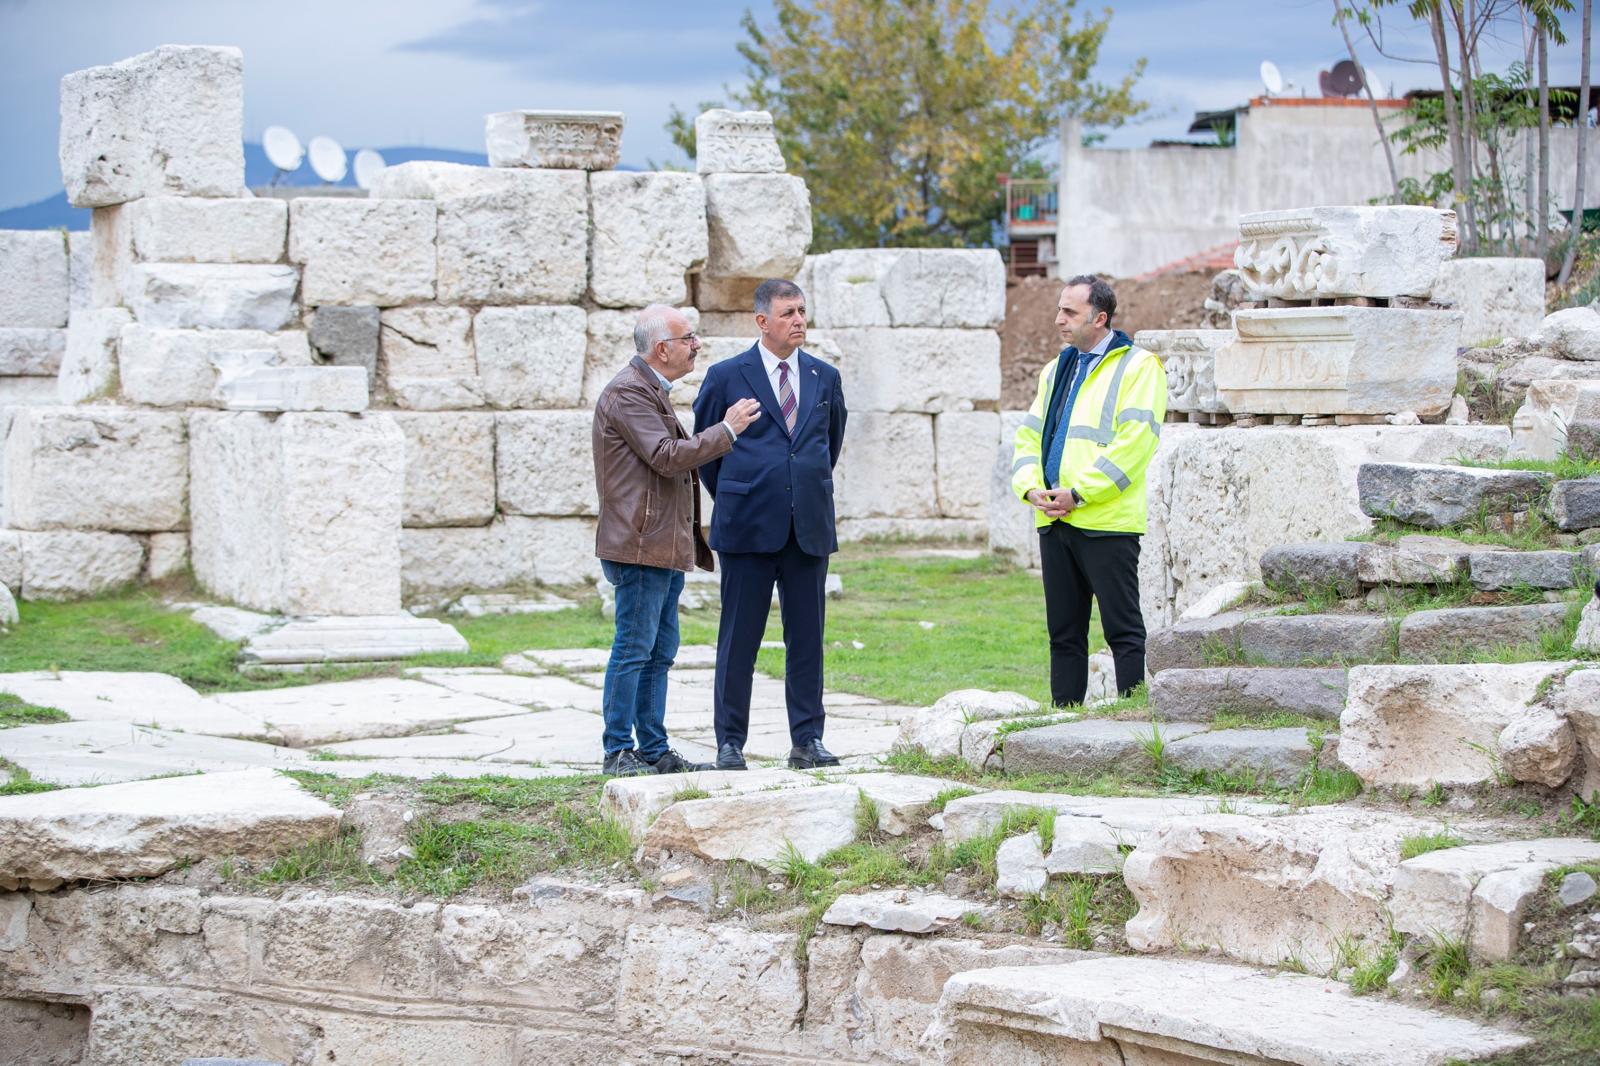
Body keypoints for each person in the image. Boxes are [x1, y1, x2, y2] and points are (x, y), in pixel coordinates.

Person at [591, 304, 762, 776]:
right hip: (640, 544)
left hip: (661, 544)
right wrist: (728, 429)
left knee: (659, 650)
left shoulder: (652, 390)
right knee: (634, 647)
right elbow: (666, 457)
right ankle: (618, 750)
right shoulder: (629, 392)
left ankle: (653, 749)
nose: (697, 345)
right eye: (689, 338)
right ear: (662, 348)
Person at [692, 279, 848, 770]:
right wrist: (741, 495)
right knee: (739, 638)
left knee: (808, 638)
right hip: (746, 528)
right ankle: (729, 742)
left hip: (808, 529)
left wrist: (799, 489)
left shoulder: (825, 377)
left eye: (802, 311)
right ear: (762, 321)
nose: (799, 320)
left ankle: (807, 739)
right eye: (788, 313)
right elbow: (706, 450)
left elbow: (830, 443)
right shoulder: (725, 376)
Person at [1011, 275, 1167, 707]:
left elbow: (1135, 444)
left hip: (1107, 522)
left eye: (1070, 312)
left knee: (1123, 631)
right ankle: (1062, 721)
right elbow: (1029, 437)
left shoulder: (1139, 367)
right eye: (1060, 309)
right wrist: (1031, 490)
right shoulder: (1055, 368)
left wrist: (1079, 494)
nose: (1059, 319)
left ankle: (1135, 721)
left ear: (1100, 318)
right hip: (1054, 519)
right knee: (1063, 633)